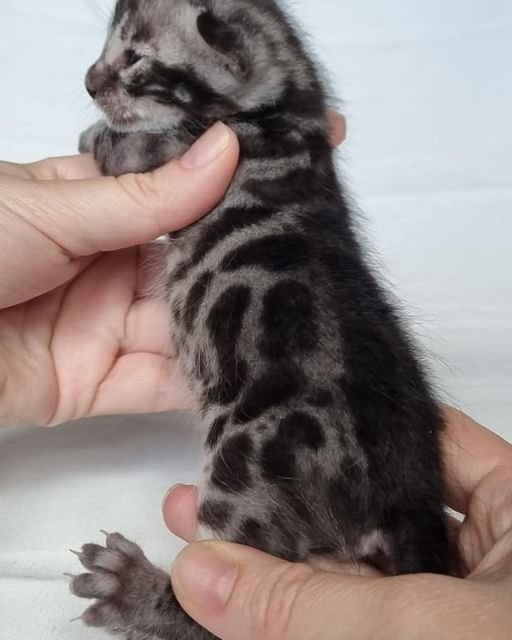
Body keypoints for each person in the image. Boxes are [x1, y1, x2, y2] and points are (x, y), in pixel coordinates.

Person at [1, 116, 510, 638]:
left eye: (132, 58)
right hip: (379, 447)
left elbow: (123, 152)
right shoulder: (294, 149)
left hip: (298, 412)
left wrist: (111, 144)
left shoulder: (219, 133)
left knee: (258, 443)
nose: (98, 82)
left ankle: (186, 616)